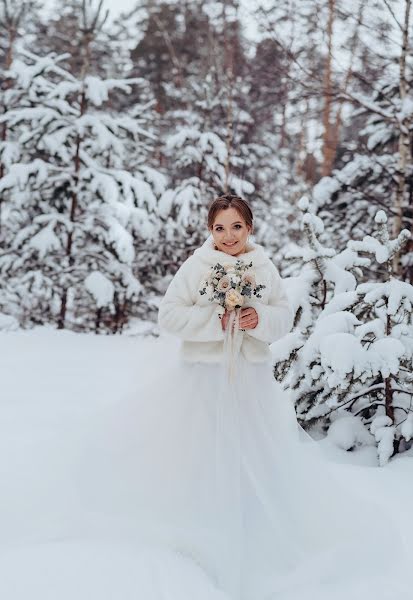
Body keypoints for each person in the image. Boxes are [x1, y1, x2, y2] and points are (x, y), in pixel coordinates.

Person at [76, 193, 409, 600]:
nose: (228, 235)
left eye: (236, 227)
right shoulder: (197, 266)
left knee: (250, 451)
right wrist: (213, 321)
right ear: (210, 231)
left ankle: (253, 529)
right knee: (201, 449)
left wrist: (258, 319)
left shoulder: (262, 266)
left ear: (249, 228)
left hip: (249, 379)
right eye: (220, 228)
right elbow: (169, 314)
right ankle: (197, 526)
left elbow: (283, 315)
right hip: (203, 376)